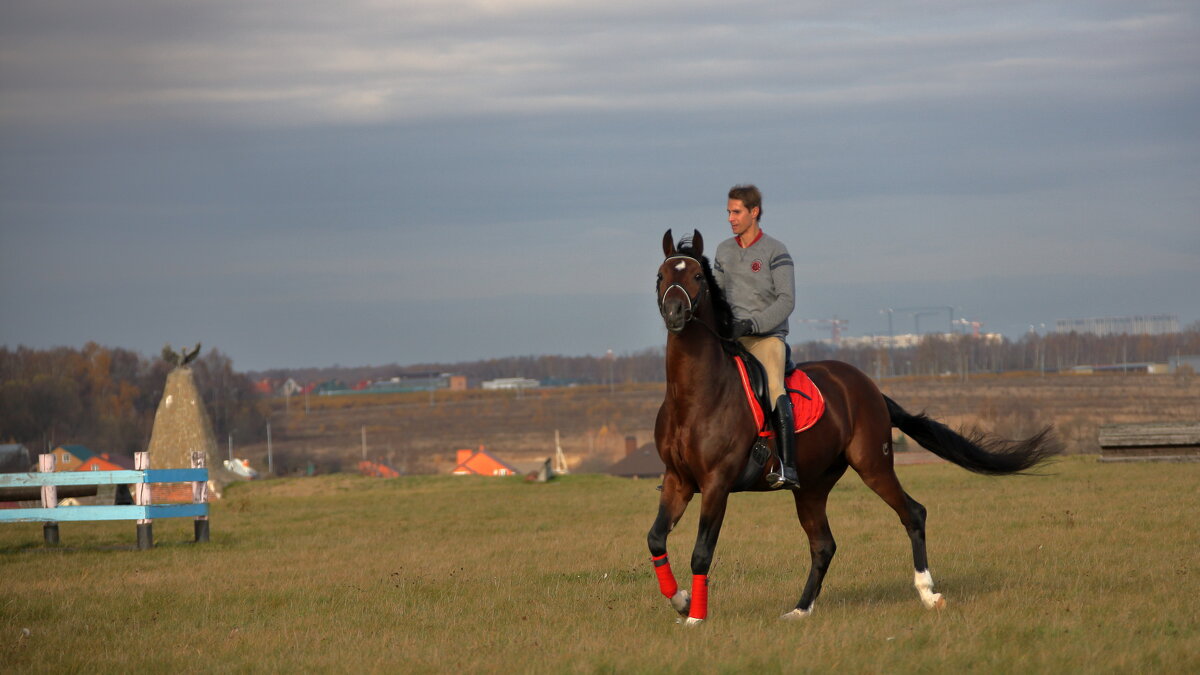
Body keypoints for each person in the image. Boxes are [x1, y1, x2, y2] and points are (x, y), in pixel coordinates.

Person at [712, 184, 798, 488]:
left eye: (736, 212)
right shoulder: (723, 251)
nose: (730, 218)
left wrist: (752, 324)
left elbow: (787, 301)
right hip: (731, 339)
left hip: (766, 339)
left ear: (754, 212)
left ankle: (788, 467)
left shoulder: (776, 250)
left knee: (774, 387)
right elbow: (717, 298)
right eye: (728, 212)